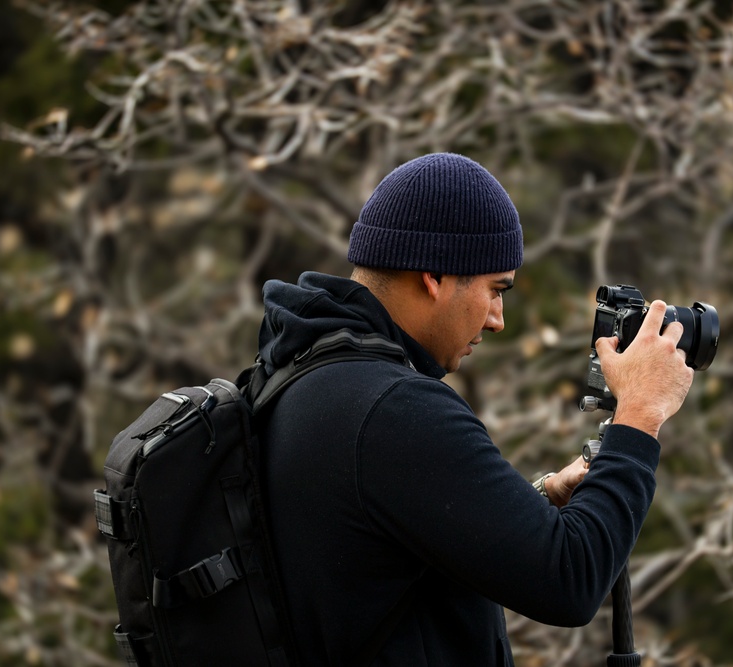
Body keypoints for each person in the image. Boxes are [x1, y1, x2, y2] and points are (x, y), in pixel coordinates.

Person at [256, 152, 694, 665]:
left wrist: (535, 502)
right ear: (435, 276)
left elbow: (382, 547)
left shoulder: (299, 374)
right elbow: (571, 581)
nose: (497, 319)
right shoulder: (395, 409)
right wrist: (640, 412)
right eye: (495, 289)